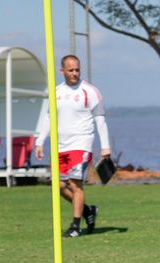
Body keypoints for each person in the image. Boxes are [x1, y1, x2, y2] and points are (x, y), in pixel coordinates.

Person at [34, 54, 111, 238]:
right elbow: (48, 118)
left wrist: (105, 147)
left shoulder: (90, 91)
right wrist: (39, 141)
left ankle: (75, 226)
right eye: (71, 70)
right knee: (58, 185)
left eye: (77, 69)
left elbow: (100, 120)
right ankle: (87, 211)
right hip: (61, 147)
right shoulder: (56, 92)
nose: (75, 73)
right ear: (62, 71)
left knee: (76, 183)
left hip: (81, 144)